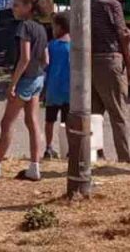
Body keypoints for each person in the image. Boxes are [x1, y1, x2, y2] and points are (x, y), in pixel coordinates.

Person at [0, 0, 53, 182]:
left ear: (28, 7)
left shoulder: (24, 27)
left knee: (7, 123)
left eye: (17, 5)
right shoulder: (41, 28)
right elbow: (45, 58)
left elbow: (25, 58)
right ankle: (35, 166)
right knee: (33, 122)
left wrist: (13, 84)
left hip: (26, 79)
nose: (13, 8)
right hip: (38, 77)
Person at [91, 0, 130, 163]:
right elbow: (123, 37)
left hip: (91, 62)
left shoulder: (92, 2)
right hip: (110, 60)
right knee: (119, 114)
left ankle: (96, 154)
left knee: (94, 113)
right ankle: (124, 159)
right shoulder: (112, 4)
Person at [43, 12, 71, 160]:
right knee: (67, 122)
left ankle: (48, 147)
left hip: (53, 90)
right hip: (69, 91)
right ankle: (70, 149)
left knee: (49, 120)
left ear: (59, 27)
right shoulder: (74, 47)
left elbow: (46, 65)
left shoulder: (52, 45)